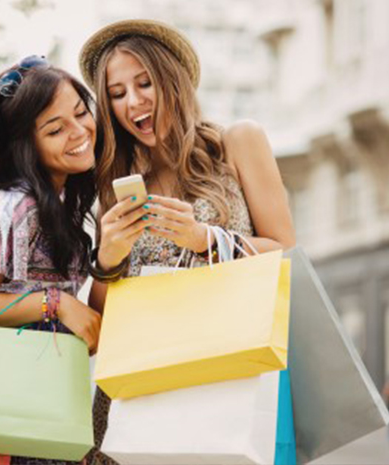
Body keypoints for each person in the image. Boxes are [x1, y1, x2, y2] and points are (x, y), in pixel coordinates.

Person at [78, 19, 296, 464]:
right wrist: (109, 258)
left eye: (144, 83)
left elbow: (287, 255)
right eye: (117, 94)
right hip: (142, 394)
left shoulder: (237, 142)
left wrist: (205, 239)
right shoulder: (115, 185)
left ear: (173, 79)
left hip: (227, 378)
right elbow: (102, 322)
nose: (133, 101)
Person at [0, 55, 101, 465]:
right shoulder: (10, 205)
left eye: (81, 113)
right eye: (55, 129)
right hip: (12, 407)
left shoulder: (66, 202)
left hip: (51, 397)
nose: (79, 131)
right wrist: (56, 303)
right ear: (26, 144)